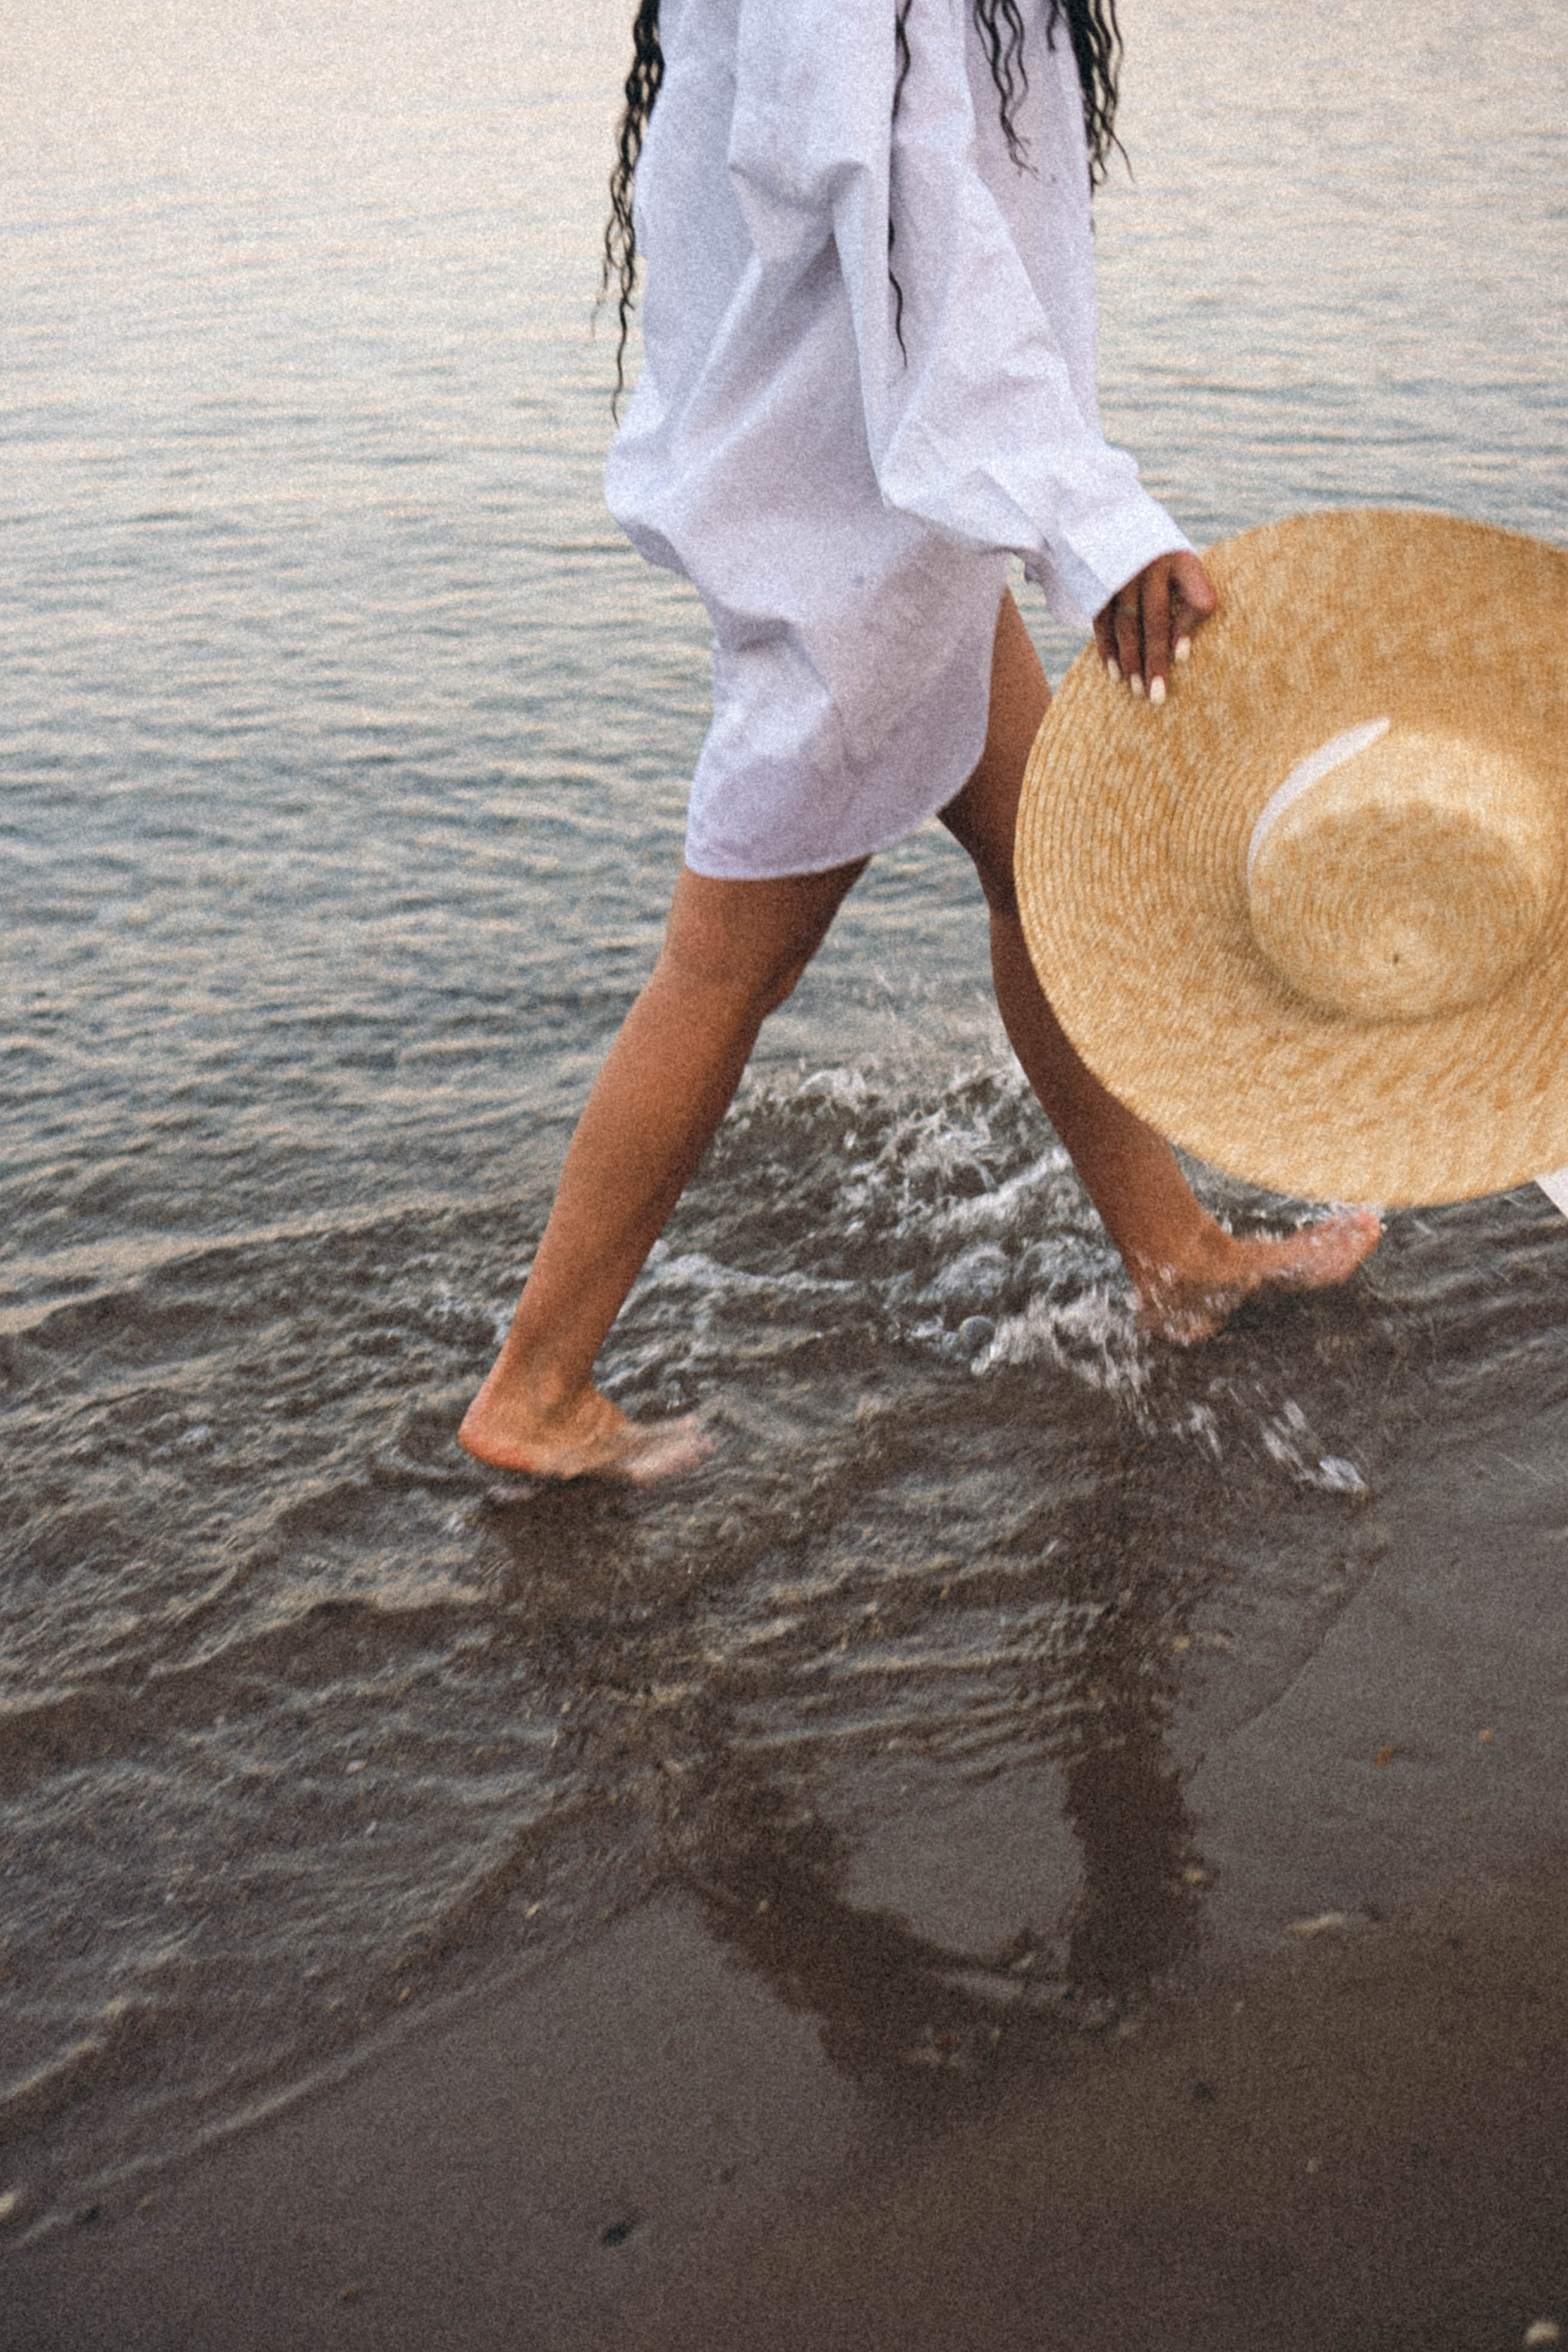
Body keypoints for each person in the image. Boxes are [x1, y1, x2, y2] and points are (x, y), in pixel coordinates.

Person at [459, 0, 1379, 1481]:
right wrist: (1091, 526)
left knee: (1044, 870)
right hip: (848, 530)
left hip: (887, 510)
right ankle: (536, 1390)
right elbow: (908, 217)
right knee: (723, 965)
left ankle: (1173, 1256)